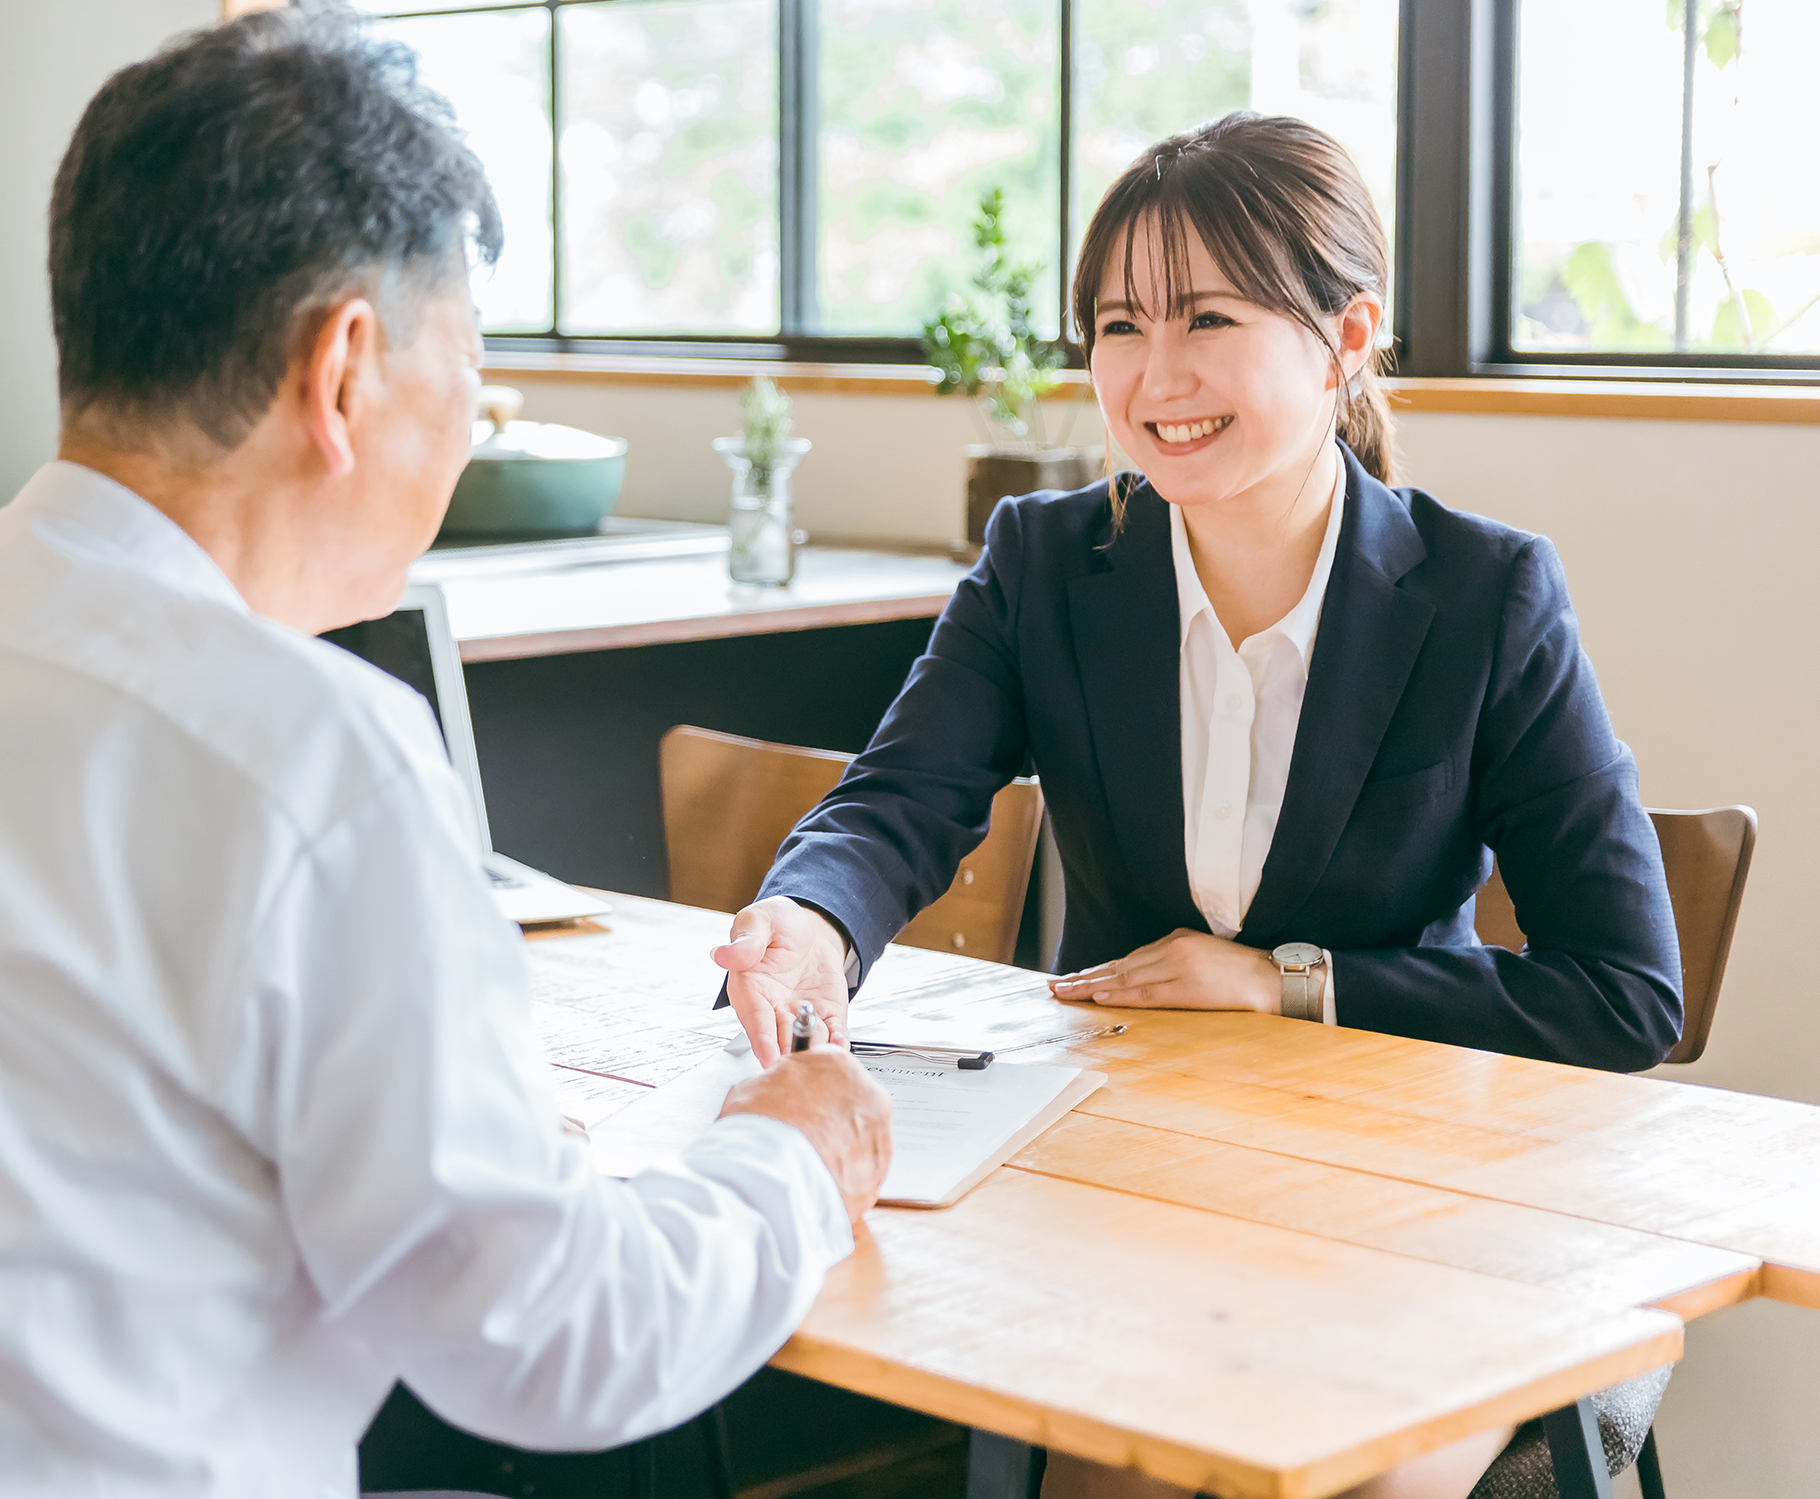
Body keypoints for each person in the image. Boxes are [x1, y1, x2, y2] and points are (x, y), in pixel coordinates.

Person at [0, 4, 892, 1498]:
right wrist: (793, 1156)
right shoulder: (306, 756)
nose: (469, 424)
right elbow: (560, 1344)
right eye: (465, 365)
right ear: (345, 368)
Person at [713, 113, 1682, 1499]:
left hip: (1413, 1201)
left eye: (1208, 319)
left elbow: (1623, 992)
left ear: (1348, 338)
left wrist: (1286, 986)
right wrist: (808, 918)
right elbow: (899, 801)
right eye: (1117, 326)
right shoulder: (1045, 564)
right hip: (1128, 1181)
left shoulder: (1485, 598)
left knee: (1351, 1475)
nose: (1154, 377)